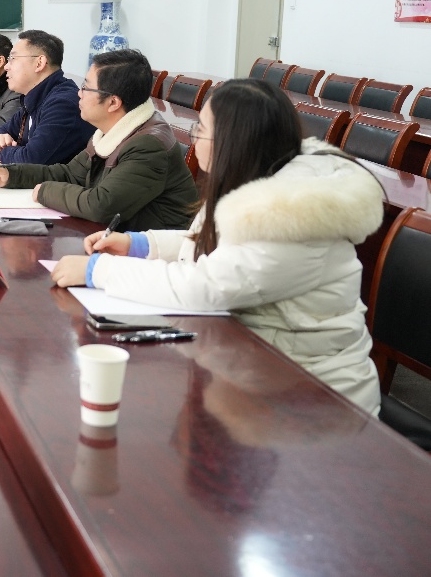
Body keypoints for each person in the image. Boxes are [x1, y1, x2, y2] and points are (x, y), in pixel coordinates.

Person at [50, 79, 383, 414]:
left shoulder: (292, 213)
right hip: (260, 364)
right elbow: (221, 244)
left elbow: (206, 286)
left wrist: (99, 271)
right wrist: (139, 244)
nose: (195, 139)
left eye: (202, 130)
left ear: (234, 143)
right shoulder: (262, 178)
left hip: (315, 395)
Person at [0, 48, 196, 230]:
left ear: (113, 103)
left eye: (86, 88)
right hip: (115, 238)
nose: (79, 94)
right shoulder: (109, 131)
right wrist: (11, 174)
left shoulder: (148, 145)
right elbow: (70, 174)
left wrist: (45, 191)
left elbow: (101, 205)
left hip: (153, 254)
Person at [0, 29, 93, 166]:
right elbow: (1, 131)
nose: (6, 67)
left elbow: (31, 159)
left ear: (39, 63)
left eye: (13, 59)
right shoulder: (35, 97)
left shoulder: (62, 104)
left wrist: (1, 153)